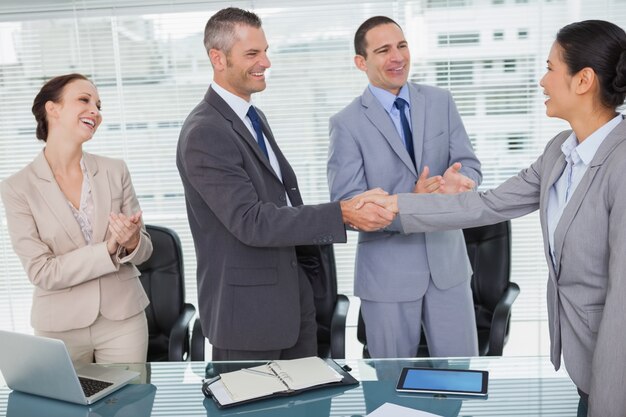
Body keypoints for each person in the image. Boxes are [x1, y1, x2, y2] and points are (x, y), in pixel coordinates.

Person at [358, 20, 626, 417]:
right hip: (582, 368)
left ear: (583, 80)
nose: (542, 81)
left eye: (551, 69)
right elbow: (487, 205)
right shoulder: (560, 152)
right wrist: (397, 206)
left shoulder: (620, 164)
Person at [176, 7, 393, 361]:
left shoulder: (251, 116)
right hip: (248, 318)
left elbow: (282, 201)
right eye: (252, 53)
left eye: (265, 50)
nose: (266, 61)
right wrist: (341, 214)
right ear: (218, 58)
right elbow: (251, 221)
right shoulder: (205, 132)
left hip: (292, 303)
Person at [327, 16, 482, 358]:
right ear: (361, 62)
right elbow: (349, 209)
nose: (397, 57)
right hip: (387, 275)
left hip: (448, 268)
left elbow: (470, 165)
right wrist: (413, 202)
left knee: (460, 378)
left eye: (402, 46)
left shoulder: (441, 101)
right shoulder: (346, 124)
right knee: (390, 386)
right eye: (383, 50)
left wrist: (462, 181)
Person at [0, 73, 153, 364]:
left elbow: (144, 252)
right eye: (84, 100)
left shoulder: (114, 170)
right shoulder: (18, 188)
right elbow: (42, 272)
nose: (95, 111)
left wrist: (133, 242)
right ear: (52, 108)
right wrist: (107, 249)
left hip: (123, 319)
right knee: (63, 408)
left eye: (98, 105)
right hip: (60, 326)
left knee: (129, 407)